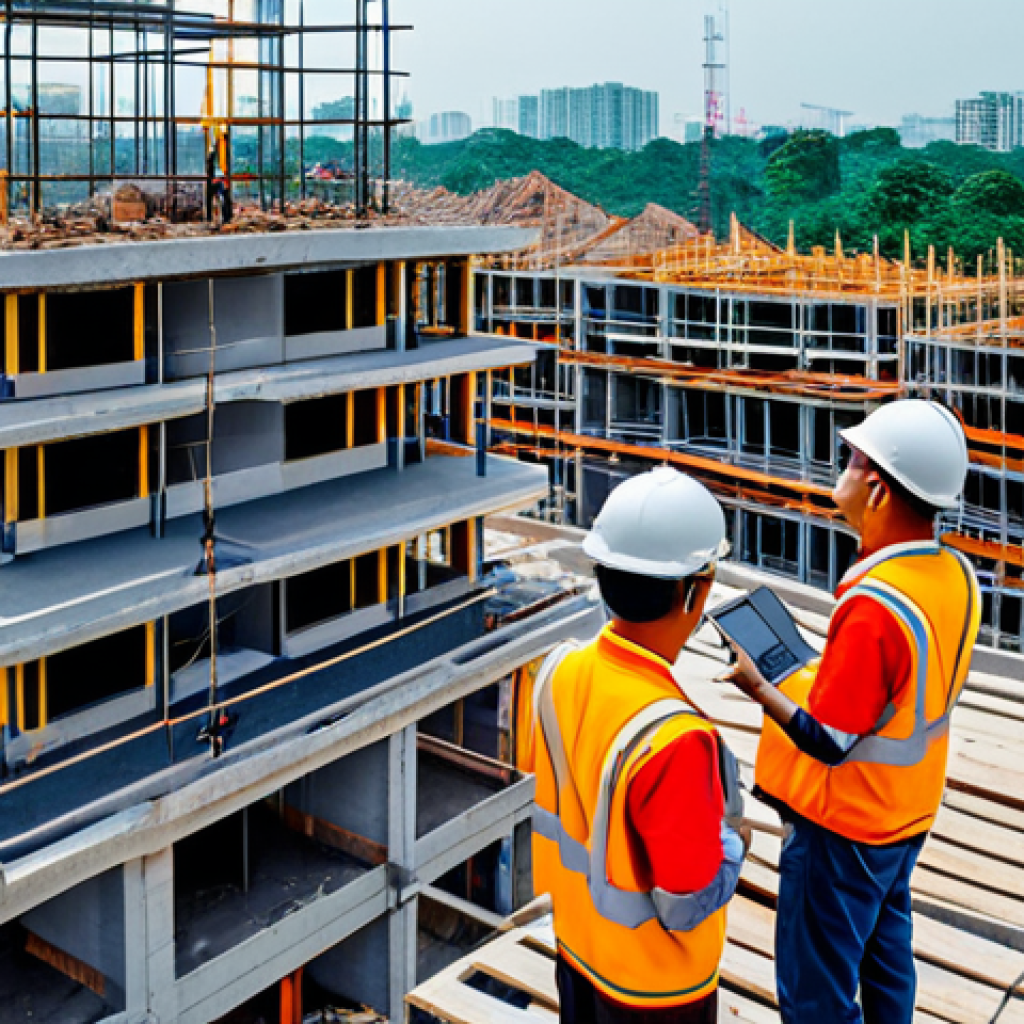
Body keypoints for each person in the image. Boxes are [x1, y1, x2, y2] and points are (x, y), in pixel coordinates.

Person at [724, 399, 980, 1024]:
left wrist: (759, 687)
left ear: (877, 490)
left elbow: (827, 739)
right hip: (905, 812)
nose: (839, 468)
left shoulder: (874, 608)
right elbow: (904, 695)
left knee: (818, 990)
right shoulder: (954, 575)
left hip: (845, 828)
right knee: (887, 955)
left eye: (850, 459)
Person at [528, 467, 749, 1024]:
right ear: (696, 591)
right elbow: (687, 901)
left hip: (579, 954)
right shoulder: (674, 738)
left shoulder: (559, 670)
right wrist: (734, 843)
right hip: (656, 991)